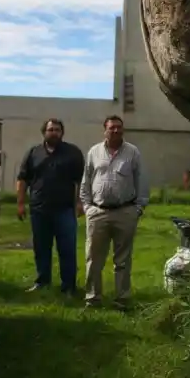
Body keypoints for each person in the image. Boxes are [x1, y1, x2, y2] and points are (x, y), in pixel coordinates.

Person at [79, 115, 149, 310]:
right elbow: (86, 181)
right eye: (112, 128)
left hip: (125, 212)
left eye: (119, 127)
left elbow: (141, 181)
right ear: (105, 130)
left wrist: (138, 208)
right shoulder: (94, 152)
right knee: (93, 259)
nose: (116, 130)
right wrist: (87, 207)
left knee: (123, 260)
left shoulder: (132, 152)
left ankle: (122, 299)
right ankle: (93, 298)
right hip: (98, 212)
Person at [16, 119, 85, 295]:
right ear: (44, 132)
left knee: (67, 249)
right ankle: (42, 281)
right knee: (41, 248)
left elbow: (81, 180)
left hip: (64, 209)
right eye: (50, 129)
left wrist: (79, 202)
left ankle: (68, 286)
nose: (54, 132)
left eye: (57, 129)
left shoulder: (73, 153)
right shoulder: (33, 153)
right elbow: (23, 178)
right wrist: (21, 203)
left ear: (62, 132)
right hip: (39, 210)